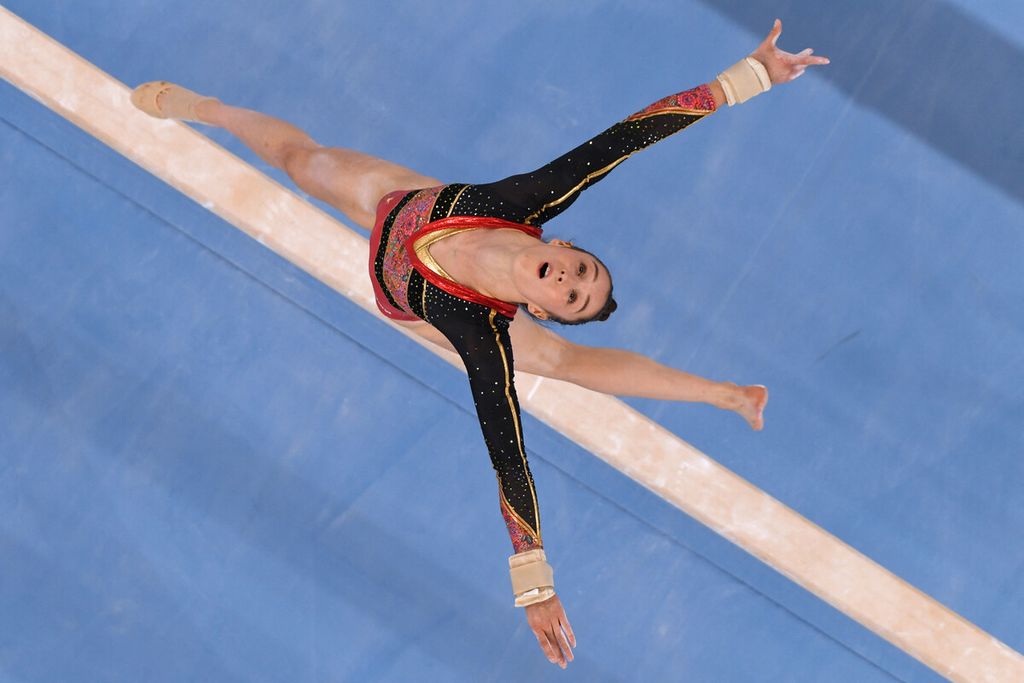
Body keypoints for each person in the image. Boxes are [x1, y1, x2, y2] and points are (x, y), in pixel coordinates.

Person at [131, 18, 828, 669]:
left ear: (541, 307)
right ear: (562, 243)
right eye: (581, 269)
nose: (570, 281)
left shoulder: (479, 332)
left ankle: (721, 391)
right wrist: (749, 77)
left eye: (573, 297)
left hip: (410, 299)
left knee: (560, 365)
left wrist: (534, 584)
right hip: (402, 202)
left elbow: (509, 455)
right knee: (301, 159)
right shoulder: (525, 201)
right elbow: (628, 137)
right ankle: (210, 108)